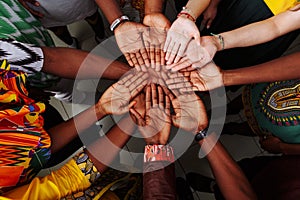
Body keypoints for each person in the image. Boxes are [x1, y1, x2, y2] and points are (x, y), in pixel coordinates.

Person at [166, 0, 299, 71]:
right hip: (236, 5)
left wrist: (217, 42)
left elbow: (276, 26)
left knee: (221, 63)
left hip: (257, 32)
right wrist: (190, 14)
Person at [18, 0, 106, 48]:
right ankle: (71, 43)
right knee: (56, 27)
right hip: (42, 4)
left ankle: (101, 36)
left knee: (91, 15)